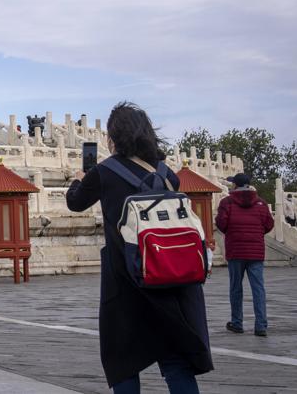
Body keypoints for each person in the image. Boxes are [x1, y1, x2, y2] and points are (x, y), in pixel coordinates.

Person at [67, 102, 213, 393]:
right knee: (176, 362)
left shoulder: (104, 172)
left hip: (126, 282)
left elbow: (75, 202)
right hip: (171, 279)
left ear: (114, 137)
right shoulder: (166, 173)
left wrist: (80, 179)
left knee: (124, 362)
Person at [216, 172, 274, 337]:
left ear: (234, 185)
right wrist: (257, 233)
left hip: (236, 251)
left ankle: (237, 323)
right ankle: (261, 326)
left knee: (236, 288)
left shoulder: (227, 202)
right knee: (258, 289)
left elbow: (221, 223)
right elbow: (269, 224)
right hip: (256, 252)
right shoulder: (261, 203)